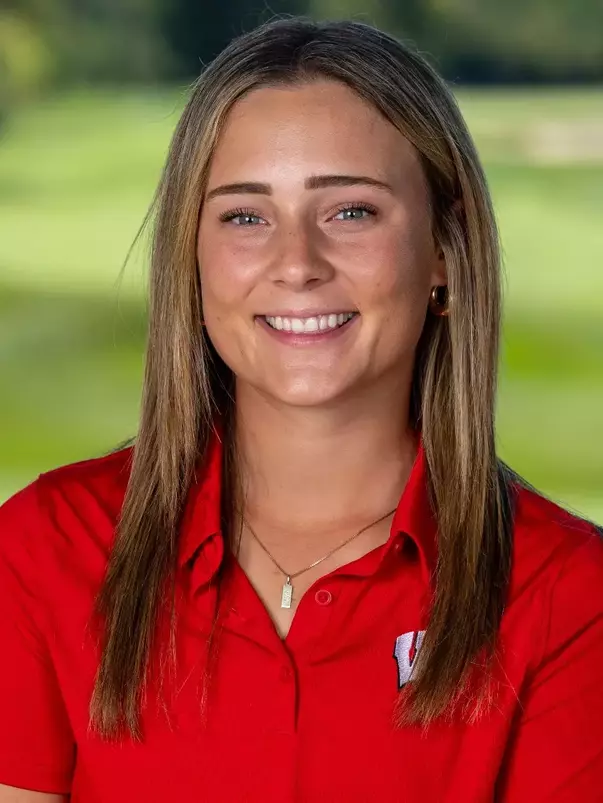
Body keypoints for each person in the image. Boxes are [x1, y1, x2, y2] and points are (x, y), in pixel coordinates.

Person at [0, 15, 602, 803]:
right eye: (245, 216)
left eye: (350, 211)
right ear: (193, 260)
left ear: (444, 253)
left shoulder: (568, 594)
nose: (296, 264)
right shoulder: (45, 547)